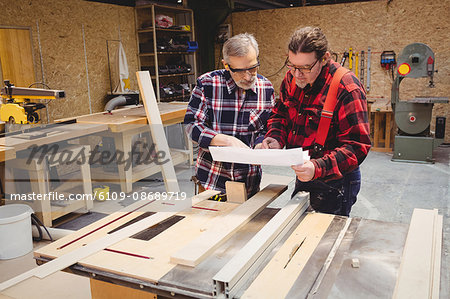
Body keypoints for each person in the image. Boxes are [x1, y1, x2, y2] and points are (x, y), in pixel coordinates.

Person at [261, 27, 371, 216]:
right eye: (292, 65)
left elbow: (357, 146)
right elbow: (281, 114)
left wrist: (317, 167)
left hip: (336, 179)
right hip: (305, 172)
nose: (297, 74)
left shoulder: (346, 87)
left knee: (323, 240)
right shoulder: (292, 79)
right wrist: (276, 137)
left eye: (305, 67)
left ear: (325, 58)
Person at [184, 33, 274, 198]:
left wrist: (261, 144)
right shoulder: (207, 84)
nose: (247, 77)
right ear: (226, 65)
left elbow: (267, 127)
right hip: (212, 180)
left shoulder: (266, 88)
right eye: (239, 71)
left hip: (250, 182)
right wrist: (224, 140)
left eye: (253, 68)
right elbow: (192, 125)